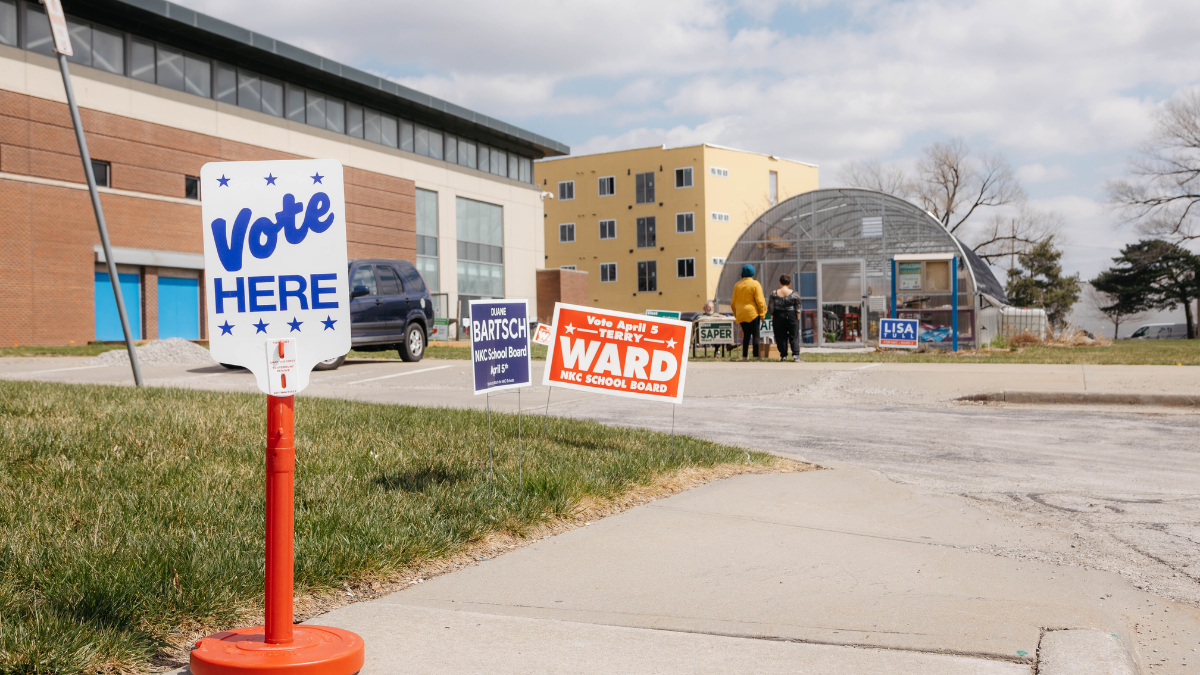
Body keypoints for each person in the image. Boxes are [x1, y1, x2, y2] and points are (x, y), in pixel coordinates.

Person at [731, 264, 766, 359]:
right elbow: (760, 301)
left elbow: (733, 302)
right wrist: (762, 314)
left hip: (741, 314)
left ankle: (744, 356)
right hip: (752, 313)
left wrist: (736, 314)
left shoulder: (737, 285)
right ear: (753, 273)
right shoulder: (755, 284)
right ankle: (755, 356)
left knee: (746, 335)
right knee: (755, 335)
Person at [767, 274, 802, 362]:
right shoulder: (794, 294)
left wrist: (773, 318)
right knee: (793, 336)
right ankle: (796, 355)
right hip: (791, 315)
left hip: (778, 316)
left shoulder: (773, 294)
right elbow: (798, 308)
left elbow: (771, 308)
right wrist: (797, 319)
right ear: (789, 283)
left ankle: (783, 356)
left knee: (780, 336)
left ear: (780, 282)